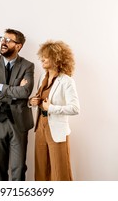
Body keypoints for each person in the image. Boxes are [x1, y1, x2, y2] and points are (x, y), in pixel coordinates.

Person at [0, 28, 35, 181]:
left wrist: (1, 87)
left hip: (19, 122)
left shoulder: (28, 65)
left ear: (18, 46)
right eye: (2, 39)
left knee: (18, 167)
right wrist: (14, 93)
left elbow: (25, 92)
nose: (3, 42)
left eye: (8, 40)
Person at [29, 40, 80, 181]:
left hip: (56, 129)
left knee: (59, 169)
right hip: (40, 126)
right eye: (42, 56)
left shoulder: (66, 81)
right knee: (41, 168)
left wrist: (50, 108)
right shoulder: (42, 78)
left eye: (46, 56)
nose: (42, 59)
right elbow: (40, 98)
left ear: (57, 59)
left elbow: (75, 108)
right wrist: (33, 101)